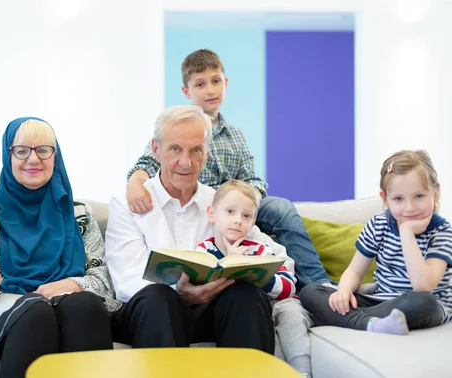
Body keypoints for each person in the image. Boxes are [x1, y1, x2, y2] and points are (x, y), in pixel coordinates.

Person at [126, 48, 332, 290]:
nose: (210, 90)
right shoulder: (178, 127)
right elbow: (149, 162)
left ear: (225, 83)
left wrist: (243, 202)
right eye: (200, 84)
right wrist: (134, 182)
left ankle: (319, 284)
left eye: (215, 81)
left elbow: (252, 179)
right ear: (187, 91)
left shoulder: (235, 135)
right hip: (205, 204)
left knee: (281, 207)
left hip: (237, 204)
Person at [106, 105, 274, 352]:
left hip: (209, 311)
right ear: (156, 150)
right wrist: (180, 292)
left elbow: (273, 254)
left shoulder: (220, 203)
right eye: (175, 149)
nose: (185, 163)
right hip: (149, 314)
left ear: (206, 154)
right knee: (159, 298)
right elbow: (127, 280)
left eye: (195, 150)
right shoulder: (127, 204)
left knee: (247, 297)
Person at [0, 117, 118, 378]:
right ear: (8, 156)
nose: (33, 159)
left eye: (43, 150)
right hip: (8, 308)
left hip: (68, 305)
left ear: (55, 155)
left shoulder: (80, 215)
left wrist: (75, 284)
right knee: (35, 312)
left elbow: (103, 279)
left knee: (85, 304)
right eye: (21, 150)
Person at [300, 150, 452, 335]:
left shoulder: (442, 232)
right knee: (310, 291)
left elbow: (423, 286)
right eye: (398, 199)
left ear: (435, 192)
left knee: (423, 302)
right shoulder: (378, 224)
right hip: (381, 301)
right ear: (385, 199)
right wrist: (344, 291)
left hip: (422, 304)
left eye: (418, 196)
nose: (409, 208)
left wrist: (406, 233)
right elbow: (355, 270)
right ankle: (371, 323)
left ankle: (343, 319)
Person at [196, 179, 312, 376]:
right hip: (235, 313)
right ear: (212, 214)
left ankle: (301, 372)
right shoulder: (203, 251)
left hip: (274, 303)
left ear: (252, 223)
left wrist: (253, 272)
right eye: (230, 211)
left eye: (246, 215)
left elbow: (287, 288)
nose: (238, 220)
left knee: (292, 313)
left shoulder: (260, 250)